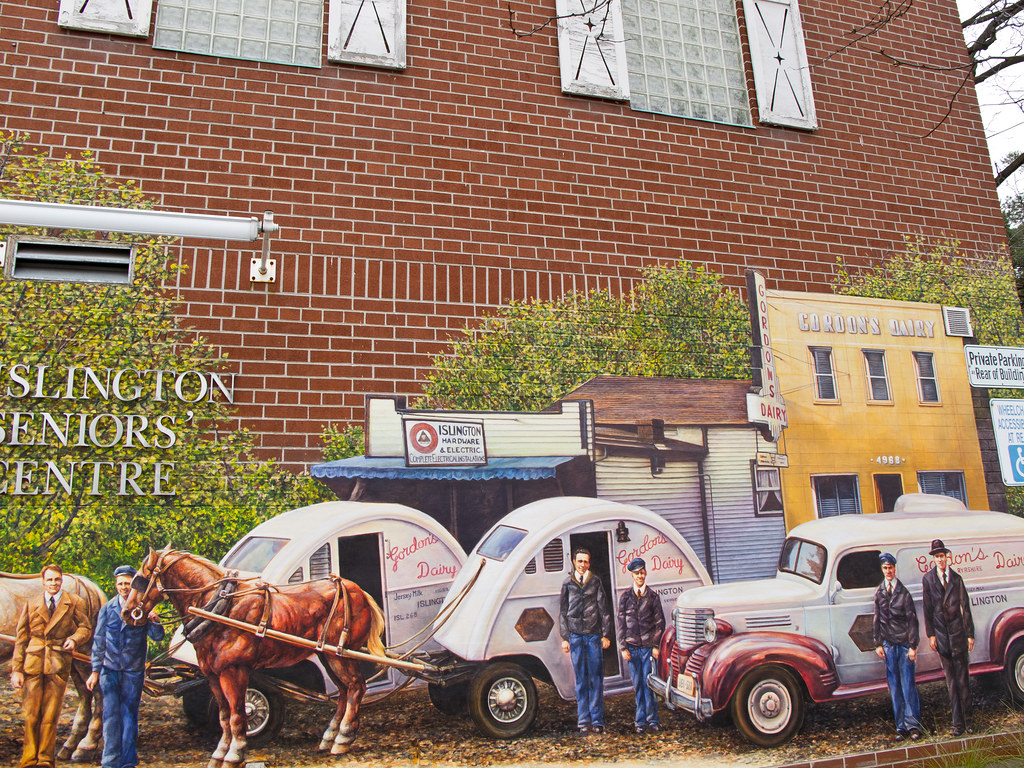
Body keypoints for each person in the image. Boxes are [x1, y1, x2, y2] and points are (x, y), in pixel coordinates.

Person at [10, 563, 93, 768]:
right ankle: (29, 759)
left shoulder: (74, 602)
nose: (53, 583)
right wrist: (17, 670)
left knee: (50, 715)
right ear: (43, 582)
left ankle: (45, 759)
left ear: (61, 580)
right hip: (33, 664)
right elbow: (22, 639)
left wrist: (74, 639)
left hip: (57, 663)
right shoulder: (32, 604)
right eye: (49, 580)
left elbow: (85, 628)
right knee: (31, 714)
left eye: (57, 579)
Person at [87, 565, 165, 768]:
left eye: (127, 584)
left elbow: (158, 637)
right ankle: (110, 761)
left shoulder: (142, 609)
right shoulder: (107, 609)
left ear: (133, 586)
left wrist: (155, 621)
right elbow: (99, 641)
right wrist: (95, 671)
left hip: (133, 671)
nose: (123, 587)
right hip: (109, 670)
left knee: (129, 715)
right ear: (115, 585)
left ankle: (128, 761)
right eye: (120, 583)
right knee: (110, 715)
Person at [921, 538, 975, 737]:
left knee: (963, 681)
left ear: (947, 557)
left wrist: (970, 634)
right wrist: (931, 634)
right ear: (934, 559)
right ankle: (958, 725)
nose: (940, 560)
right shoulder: (928, 580)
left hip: (958, 635)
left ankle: (969, 722)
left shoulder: (957, 579)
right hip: (942, 637)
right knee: (951, 683)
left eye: (942, 556)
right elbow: (927, 609)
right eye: (937, 557)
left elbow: (965, 607)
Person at [559, 548, 613, 735]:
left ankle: (597, 720)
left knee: (595, 678)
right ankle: (583, 720)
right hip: (575, 637)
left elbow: (604, 609)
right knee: (581, 680)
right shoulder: (567, 584)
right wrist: (565, 637)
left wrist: (605, 634)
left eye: (586, 562)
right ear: (574, 562)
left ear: (589, 564)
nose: (582, 565)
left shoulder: (595, 582)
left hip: (593, 636)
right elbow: (562, 612)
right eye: (580, 561)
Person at [872, 552, 922, 742]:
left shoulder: (903, 593)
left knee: (908, 685)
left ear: (895, 568)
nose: (888, 571)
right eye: (885, 568)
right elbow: (876, 619)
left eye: (891, 568)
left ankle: (913, 725)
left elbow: (912, 621)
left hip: (904, 645)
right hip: (889, 646)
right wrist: (878, 643)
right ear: (882, 570)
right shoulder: (879, 593)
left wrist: (913, 646)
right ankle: (901, 727)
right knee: (894, 687)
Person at [616, 557, 665, 734]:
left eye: (642, 573)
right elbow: (621, 623)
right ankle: (640, 721)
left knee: (649, 684)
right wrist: (623, 647)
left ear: (646, 574)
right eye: (637, 574)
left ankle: (653, 720)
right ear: (632, 575)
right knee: (637, 685)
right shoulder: (625, 597)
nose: (640, 576)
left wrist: (656, 646)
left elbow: (660, 623)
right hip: (632, 648)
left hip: (647, 648)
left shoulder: (653, 597)